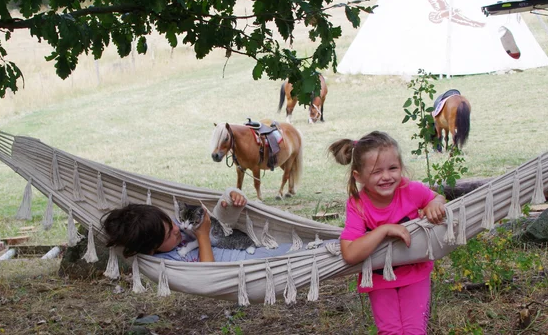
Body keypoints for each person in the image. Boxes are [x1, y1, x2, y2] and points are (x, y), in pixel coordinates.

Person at [328, 131, 446, 334]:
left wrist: (433, 204)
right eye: (376, 171)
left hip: (415, 272)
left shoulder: (410, 190)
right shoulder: (358, 205)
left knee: (414, 330)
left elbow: (437, 198)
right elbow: (350, 253)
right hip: (380, 278)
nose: (386, 177)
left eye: (393, 168)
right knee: (390, 331)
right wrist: (384, 230)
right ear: (359, 176)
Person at [101, 189, 292, 262]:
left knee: (310, 247)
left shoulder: (179, 226)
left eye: (171, 223)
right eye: (169, 235)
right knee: (309, 252)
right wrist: (201, 236)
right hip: (253, 265)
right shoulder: (169, 261)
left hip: (255, 246)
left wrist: (230, 199)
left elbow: (219, 225)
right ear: (152, 250)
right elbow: (208, 277)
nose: (177, 229)